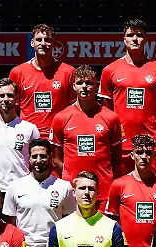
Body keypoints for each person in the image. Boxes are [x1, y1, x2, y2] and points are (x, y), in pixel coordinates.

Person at [3, 138, 76, 247]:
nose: (38, 161)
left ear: (50, 158)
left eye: (43, 156)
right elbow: (11, 226)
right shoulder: (15, 186)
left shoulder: (63, 186)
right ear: (28, 158)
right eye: (34, 156)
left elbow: (69, 223)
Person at [98, 19, 156, 171]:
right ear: (124, 38)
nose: (135, 39)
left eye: (139, 35)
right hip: (121, 142)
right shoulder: (109, 70)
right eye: (130, 35)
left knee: (151, 189)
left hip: (150, 141)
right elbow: (106, 113)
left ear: (145, 39)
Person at [51, 65, 124, 202]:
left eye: (89, 83)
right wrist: (71, 179)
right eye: (80, 83)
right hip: (72, 193)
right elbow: (56, 160)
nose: (84, 87)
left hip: (103, 192)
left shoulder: (111, 118)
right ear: (73, 86)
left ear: (97, 86)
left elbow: (117, 160)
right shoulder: (61, 118)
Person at [9, 23, 76, 138]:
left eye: (47, 40)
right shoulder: (17, 72)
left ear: (54, 44)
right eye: (39, 40)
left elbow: (74, 109)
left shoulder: (68, 71)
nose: (43, 43)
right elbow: (12, 109)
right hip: (27, 137)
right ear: (32, 43)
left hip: (58, 137)